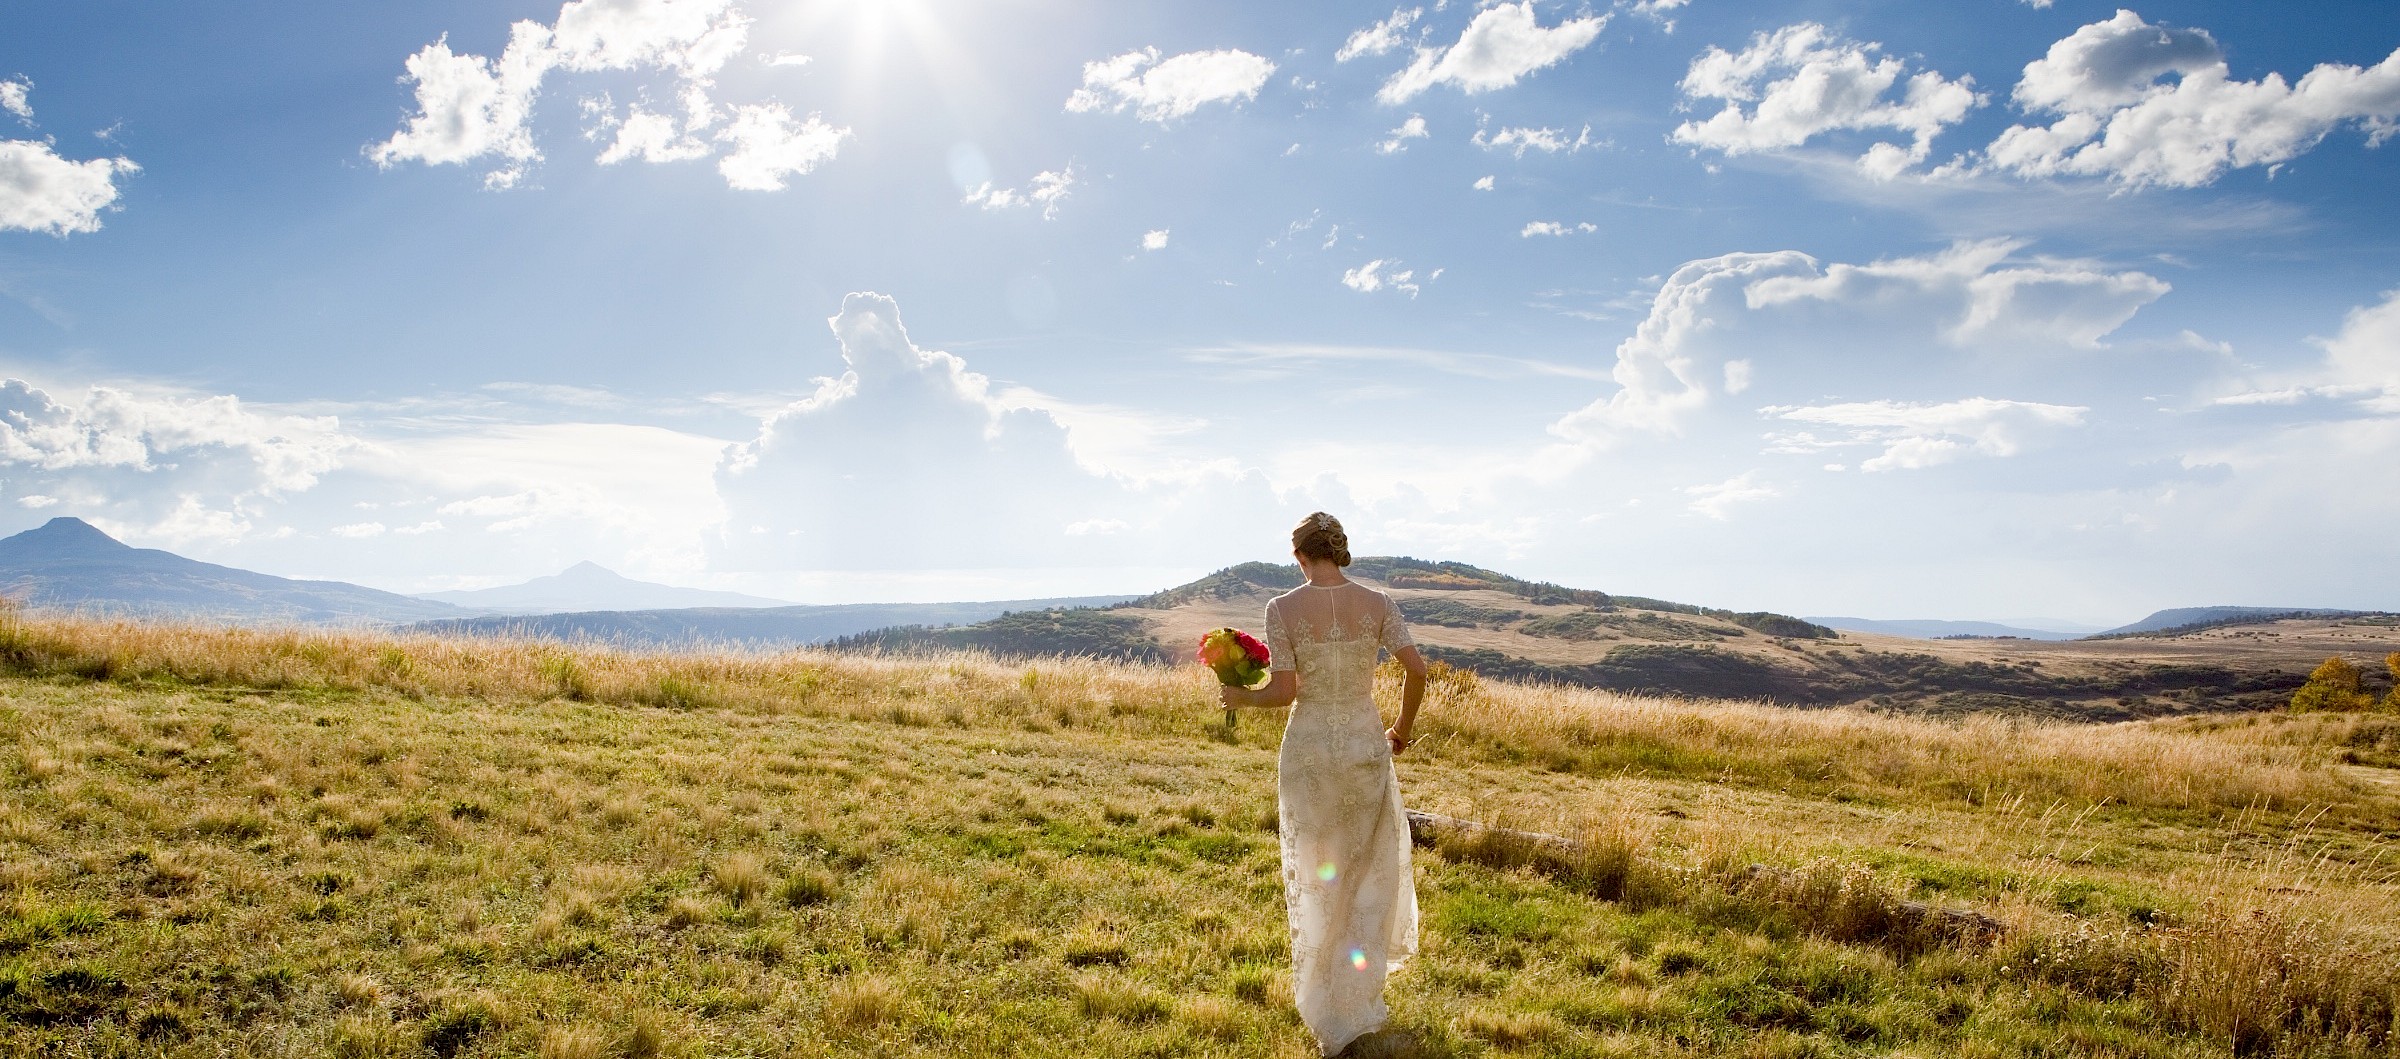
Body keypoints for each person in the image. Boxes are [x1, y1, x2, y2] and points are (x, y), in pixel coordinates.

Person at [1220, 512, 1427, 1056]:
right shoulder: (1379, 603)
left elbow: (1284, 692)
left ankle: (1321, 992)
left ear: (1300, 557)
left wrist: (1241, 697)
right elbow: (1418, 670)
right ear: (1338, 550)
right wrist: (1401, 731)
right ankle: (1355, 995)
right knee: (1364, 870)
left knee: (1319, 871)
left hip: (1310, 751)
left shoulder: (1282, 608)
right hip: (1363, 746)